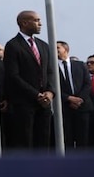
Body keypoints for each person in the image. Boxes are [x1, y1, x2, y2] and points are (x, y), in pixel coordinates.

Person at [3, 10, 55, 150]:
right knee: (25, 142)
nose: (40, 24)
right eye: (36, 20)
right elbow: (13, 75)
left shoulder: (43, 45)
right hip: (24, 104)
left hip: (44, 104)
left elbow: (49, 72)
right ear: (24, 23)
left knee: (43, 142)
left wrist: (50, 92)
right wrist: (35, 94)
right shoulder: (13, 45)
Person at [56, 41, 93, 150]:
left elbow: (87, 84)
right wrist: (68, 98)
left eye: (57, 47)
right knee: (67, 140)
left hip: (82, 107)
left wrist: (79, 99)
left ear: (66, 49)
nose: (54, 49)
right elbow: (52, 86)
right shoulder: (51, 67)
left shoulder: (80, 65)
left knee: (84, 140)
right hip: (64, 108)